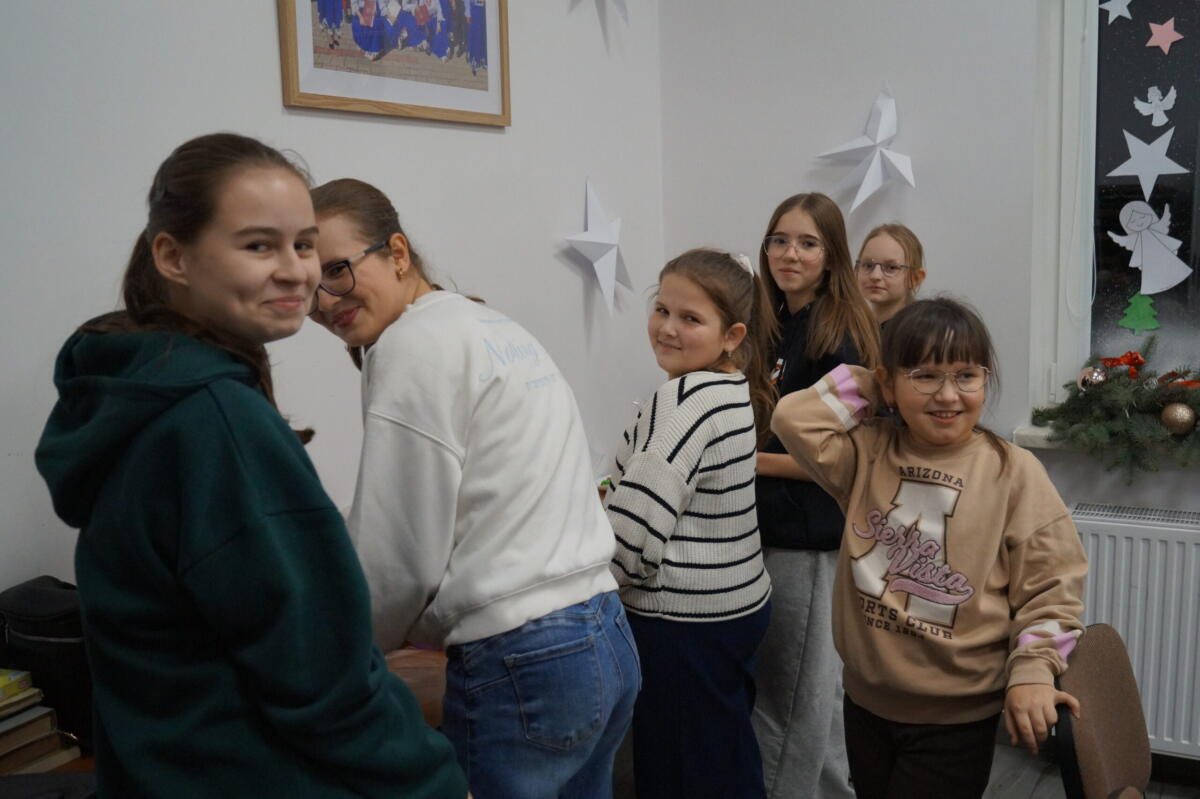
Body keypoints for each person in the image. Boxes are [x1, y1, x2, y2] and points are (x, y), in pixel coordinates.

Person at [34, 133, 466, 798]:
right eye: (259, 246)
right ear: (173, 256)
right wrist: (435, 781)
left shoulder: (136, 391)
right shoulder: (217, 422)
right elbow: (322, 677)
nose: (298, 273)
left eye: (304, 245)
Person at [307, 178, 638, 799]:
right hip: (605, 632)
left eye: (337, 270)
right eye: (309, 286)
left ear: (397, 253)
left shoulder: (412, 345)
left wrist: (341, 658)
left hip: (526, 655)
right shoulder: (483, 322)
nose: (325, 301)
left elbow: (398, 556)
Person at [771, 297, 1087, 799]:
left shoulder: (1013, 471)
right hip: (866, 702)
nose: (948, 395)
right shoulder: (867, 452)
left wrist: (1032, 671)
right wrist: (879, 383)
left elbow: (1053, 589)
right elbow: (793, 418)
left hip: (958, 716)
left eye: (967, 376)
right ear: (890, 384)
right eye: (925, 376)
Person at [605, 248, 775, 799]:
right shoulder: (731, 386)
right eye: (662, 309)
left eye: (691, 318)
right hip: (734, 604)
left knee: (681, 770)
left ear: (732, 335)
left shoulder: (682, 401)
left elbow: (633, 539)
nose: (667, 328)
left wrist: (591, 586)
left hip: (682, 620)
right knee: (722, 753)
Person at [751, 193, 879, 799]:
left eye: (807, 243)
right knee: (816, 701)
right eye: (779, 240)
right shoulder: (775, 325)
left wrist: (746, 461)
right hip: (772, 531)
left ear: (832, 256)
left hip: (810, 544)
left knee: (787, 708)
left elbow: (846, 462)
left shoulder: (842, 337)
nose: (790, 254)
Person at [856, 223, 926, 327]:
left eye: (891, 268)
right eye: (868, 265)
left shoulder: (919, 332)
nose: (875, 276)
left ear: (915, 278)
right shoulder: (853, 327)